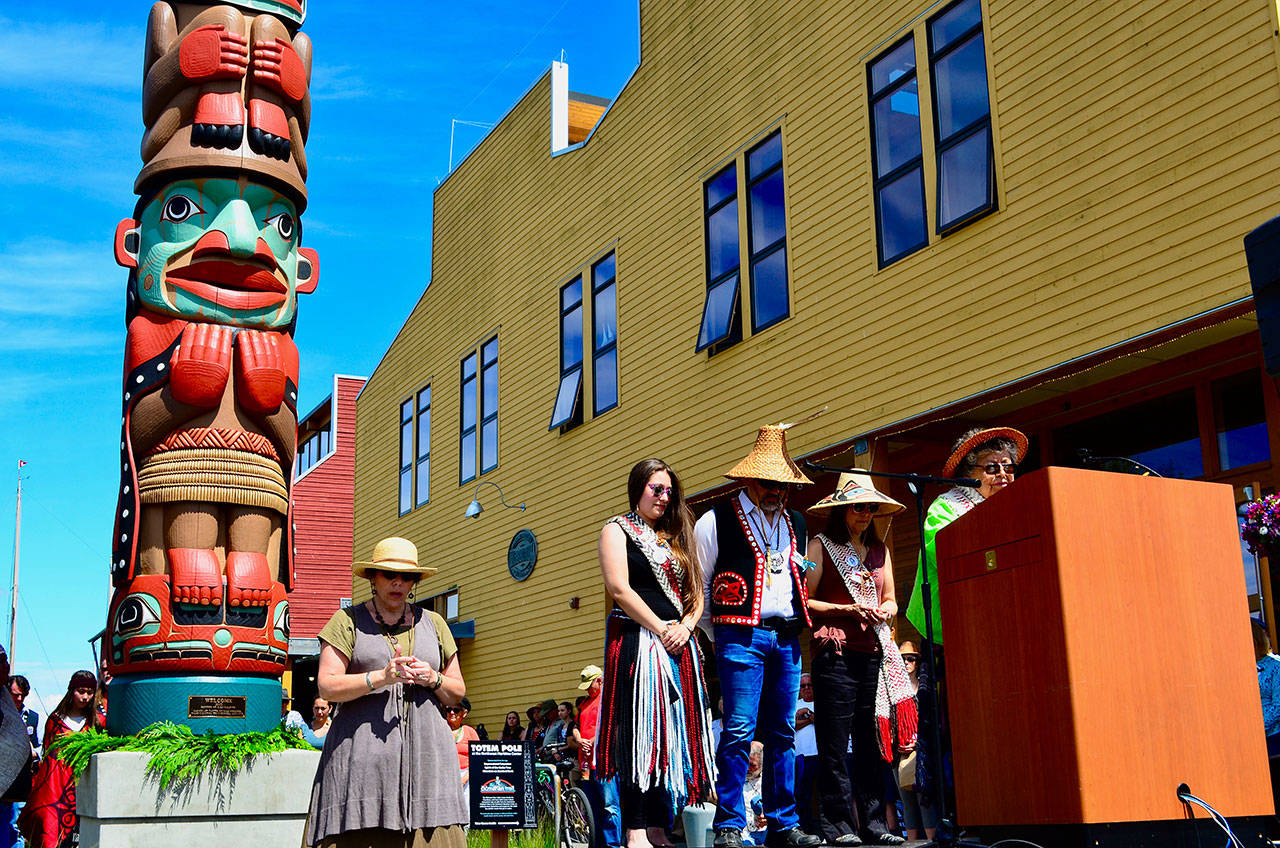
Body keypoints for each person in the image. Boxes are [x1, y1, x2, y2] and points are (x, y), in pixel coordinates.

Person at [695, 419, 822, 848]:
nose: (775, 490)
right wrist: (719, 638)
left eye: (782, 484)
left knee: (783, 731)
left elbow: (795, 578)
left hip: (786, 636)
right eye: (768, 482)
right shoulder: (715, 521)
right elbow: (702, 588)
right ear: (749, 478)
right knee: (738, 729)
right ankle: (729, 823)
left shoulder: (797, 524)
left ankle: (783, 824)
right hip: (739, 636)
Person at [304, 537, 468, 848]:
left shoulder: (434, 623)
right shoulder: (347, 621)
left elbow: (457, 691)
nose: (398, 582)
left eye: (406, 577)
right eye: (388, 574)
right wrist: (381, 677)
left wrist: (433, 678)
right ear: (373, 578)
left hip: (429, 760)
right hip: (361, 762)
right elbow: (327, 685)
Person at [903, 427, 1027, 821]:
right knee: (955, 730)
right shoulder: (946, 507)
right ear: (969, 473)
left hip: (1004, 632)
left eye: (1008, 467)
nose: (1004, 475)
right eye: (993, 467)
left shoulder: (1021, 504)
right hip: (952, 633)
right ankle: (956, 815)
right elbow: (948, 551)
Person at [597, 458, 715, 848]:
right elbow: (619, 588)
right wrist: (661, 627)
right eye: (656, 489)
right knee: (638, 734)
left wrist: (686, 625)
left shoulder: (678, 534)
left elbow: (697, 594)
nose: (664, 497)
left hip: (678, 642)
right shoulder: (617, 530)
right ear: (638, 489)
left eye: (669, 491)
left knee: (673, 736)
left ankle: (660, 825)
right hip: (639, 640)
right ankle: (634, 828)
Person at [805, 472, 914, 846]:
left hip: (873, 655)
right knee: (834, 744)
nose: (866, 513)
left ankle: (874, 824)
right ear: (841, 509)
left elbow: (892, 599)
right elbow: (806, 601)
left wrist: (884, 610)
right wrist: (846, 609)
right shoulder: (819, 546)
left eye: (871, 507)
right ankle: (837, 827)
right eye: (858, 506)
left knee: (871, 743)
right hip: (835, 651)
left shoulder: (879, 550)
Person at [19, 670, 102, 848]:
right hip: (55, 789)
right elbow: (49, 759)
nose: (85, 697)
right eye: (81, 691)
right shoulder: (55, 722)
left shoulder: (96, 722)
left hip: (84, 788)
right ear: (71, 691)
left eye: (89, 692)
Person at [893, 642, 935, 841]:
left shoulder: (925, 687)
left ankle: (931, 842)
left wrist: (918, 741)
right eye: (903, 658)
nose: (907, 662)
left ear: (917, 662)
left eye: (911, 658)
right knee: (906, 800)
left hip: (923, 750)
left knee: (924, 798)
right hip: (900, 750)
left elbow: (930, 719)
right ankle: (911, 843)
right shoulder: (893, 690)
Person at [2, 675, 39, 848]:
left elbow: (37, 745)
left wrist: (33, 751)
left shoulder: (32, 717)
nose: (18, 699)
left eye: (22, 695)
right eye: (15, 694)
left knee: (16, 826)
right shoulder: (2, 714)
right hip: (3, 779)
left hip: (22, 780)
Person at [1254, 620, 1280, 817]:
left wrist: (1255, 728)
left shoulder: (1276, 666)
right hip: (1250, 743)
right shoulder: (1240, 667)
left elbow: (1278, 706)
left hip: (1273, 739)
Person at [793, 676, 816, 833]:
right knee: (802, 795)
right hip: (801, 756)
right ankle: (805, 828)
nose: (806, 688)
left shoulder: (821, 701)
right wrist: (811, 718)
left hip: (820, 755)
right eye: (803, 686)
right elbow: (791, 725)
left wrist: (806, 713)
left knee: (822, 794)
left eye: (809, 684)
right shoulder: (795, 704)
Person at [447, 698, 480, 790]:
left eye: (456, 710)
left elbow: (477, 759)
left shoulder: (470, 732)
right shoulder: (441, 729)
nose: (452, 712)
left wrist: (464, 779)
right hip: (445, 774)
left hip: (466, 775)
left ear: (464, 713)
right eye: (449, 709)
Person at [742, 742, 767, 846]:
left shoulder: (770, 782)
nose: (747, 768)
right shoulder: (734, 779)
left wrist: (768, 817)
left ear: (762, 764)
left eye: (752, 765)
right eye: (745, 763)